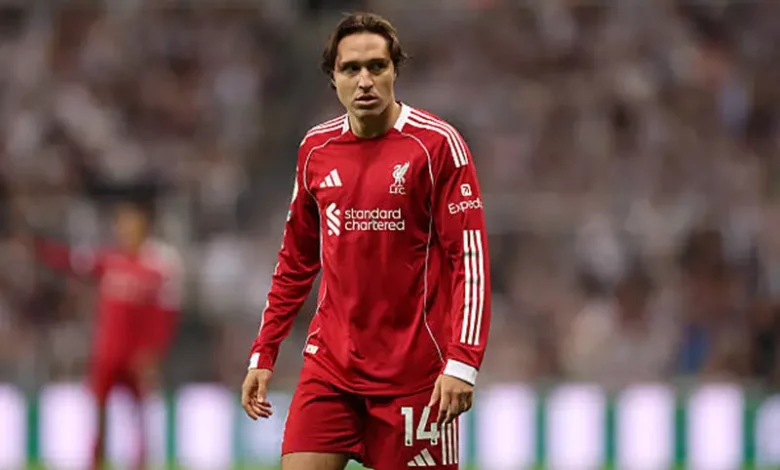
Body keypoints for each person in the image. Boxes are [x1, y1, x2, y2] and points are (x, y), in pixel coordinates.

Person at [240, 12, 491, 470]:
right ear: (332, 78)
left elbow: (469, 262)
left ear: (395, 71)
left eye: (377, 66)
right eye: (350, 68)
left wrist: (462, 361)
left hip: (414, 375)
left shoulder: (437, 146)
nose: (364, 81)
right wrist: (264, 350)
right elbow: (295, 260)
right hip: (331, 368)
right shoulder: (315, 150)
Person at [24, 199, 183, 470]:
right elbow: (71, 261)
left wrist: (154, 350)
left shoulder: (157, 269)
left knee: (139, 413)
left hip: (136, 356)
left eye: (132, 225)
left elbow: (165, 316)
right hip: (107, 353)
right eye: (122, 225)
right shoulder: (110, 261)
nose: (126, 231)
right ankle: (96, 462)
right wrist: (40, 249)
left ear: (144, 228)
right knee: (99, 411)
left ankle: (140, 463)